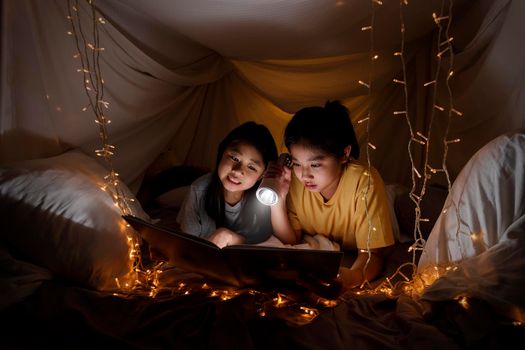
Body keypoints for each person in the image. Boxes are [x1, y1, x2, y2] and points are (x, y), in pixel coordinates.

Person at [268, 100, 395, 290]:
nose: (304, 175)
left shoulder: (365, 180)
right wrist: (277, 199)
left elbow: (372, 254)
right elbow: (290, 240)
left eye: (315, 165)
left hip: (388, 203)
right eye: (296, 163)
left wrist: (350, 277)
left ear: (344, 154)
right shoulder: (295, 181)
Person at [177, 121, 289, 248]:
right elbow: (188, 245)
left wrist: (232, 238)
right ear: (221, 154)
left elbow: (284, 240)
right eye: (234, 158)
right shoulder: (198, 191)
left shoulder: (265, 196)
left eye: (251, 167)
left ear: (262, 175)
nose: (237, 171)